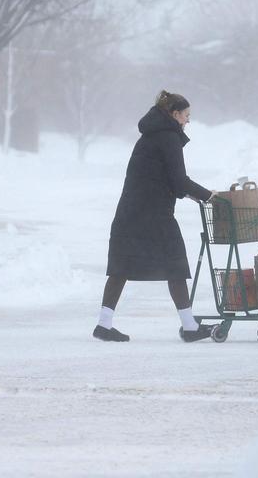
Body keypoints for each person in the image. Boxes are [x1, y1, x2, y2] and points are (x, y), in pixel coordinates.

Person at [94, 90, 217, 343]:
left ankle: (104, 325)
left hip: (131, 212)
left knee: (121, 267)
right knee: (175, 264)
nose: (188, 121)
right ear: (174, 114)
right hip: (154, 215)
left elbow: (161, 177)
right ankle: (190, 326)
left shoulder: (151, 136)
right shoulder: (168, 138)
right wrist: (209, 196)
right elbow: (179, 180)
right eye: (186, 115)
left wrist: (186, 192)